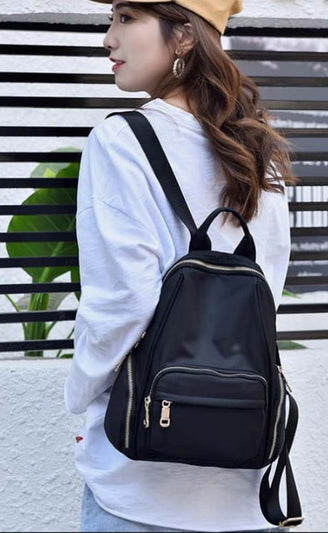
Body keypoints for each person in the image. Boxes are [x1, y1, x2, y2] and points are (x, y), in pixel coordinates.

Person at [64, 0, 296, 530]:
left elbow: (123, 302)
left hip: (139, 487)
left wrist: (80, 394)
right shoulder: (259, 151)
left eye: (127, 18)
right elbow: (266, 294)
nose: (108, 39)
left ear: (185, 35)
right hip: (242, 483)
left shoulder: (121, 140)